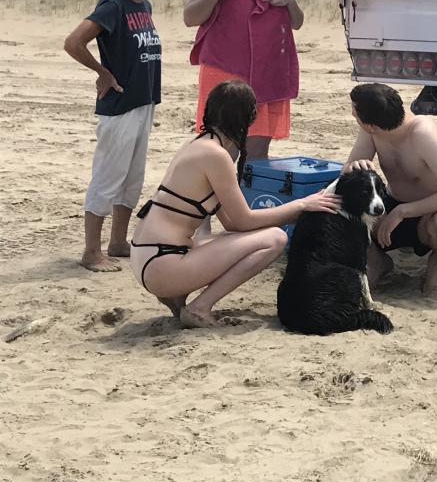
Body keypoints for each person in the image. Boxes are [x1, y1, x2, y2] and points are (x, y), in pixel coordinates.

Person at [128, 80, 340, 328]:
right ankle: (199, 307)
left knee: (250, 237)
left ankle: (176, 295)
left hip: (147, 257)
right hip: (162, 263)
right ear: (249, 117)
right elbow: (244, 220)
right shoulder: (216, 155)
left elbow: (232, 223)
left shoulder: (197, 144)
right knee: (275, 239)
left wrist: (293, 210)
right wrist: (301, 205)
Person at [64, 0, 165, 273]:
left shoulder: (144, 6)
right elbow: (74, 42)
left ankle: (118, 242)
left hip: (143, 101)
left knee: (132, 177)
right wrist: (102, 72)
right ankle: (91, 252)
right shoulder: (114, 4)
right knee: (108, 176)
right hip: (120, 106)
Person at [183, 0, 302, 164]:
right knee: (223, 152)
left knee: (257, 155)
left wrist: (290, 1)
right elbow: (190, 17)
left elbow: (297, 23)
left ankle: (248, 194)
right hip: (224, 73)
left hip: (267, 73)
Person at [343, 83, 437, 295]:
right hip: (390, 204)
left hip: (431, 212)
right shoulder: (371, 132)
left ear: (371, 125)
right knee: (342, 206)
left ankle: (436, 265)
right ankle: (376, 260)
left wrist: (403, 211)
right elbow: (345, 175)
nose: (353, 116)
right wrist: (353, 167)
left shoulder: (424, 134)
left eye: (355, 115)